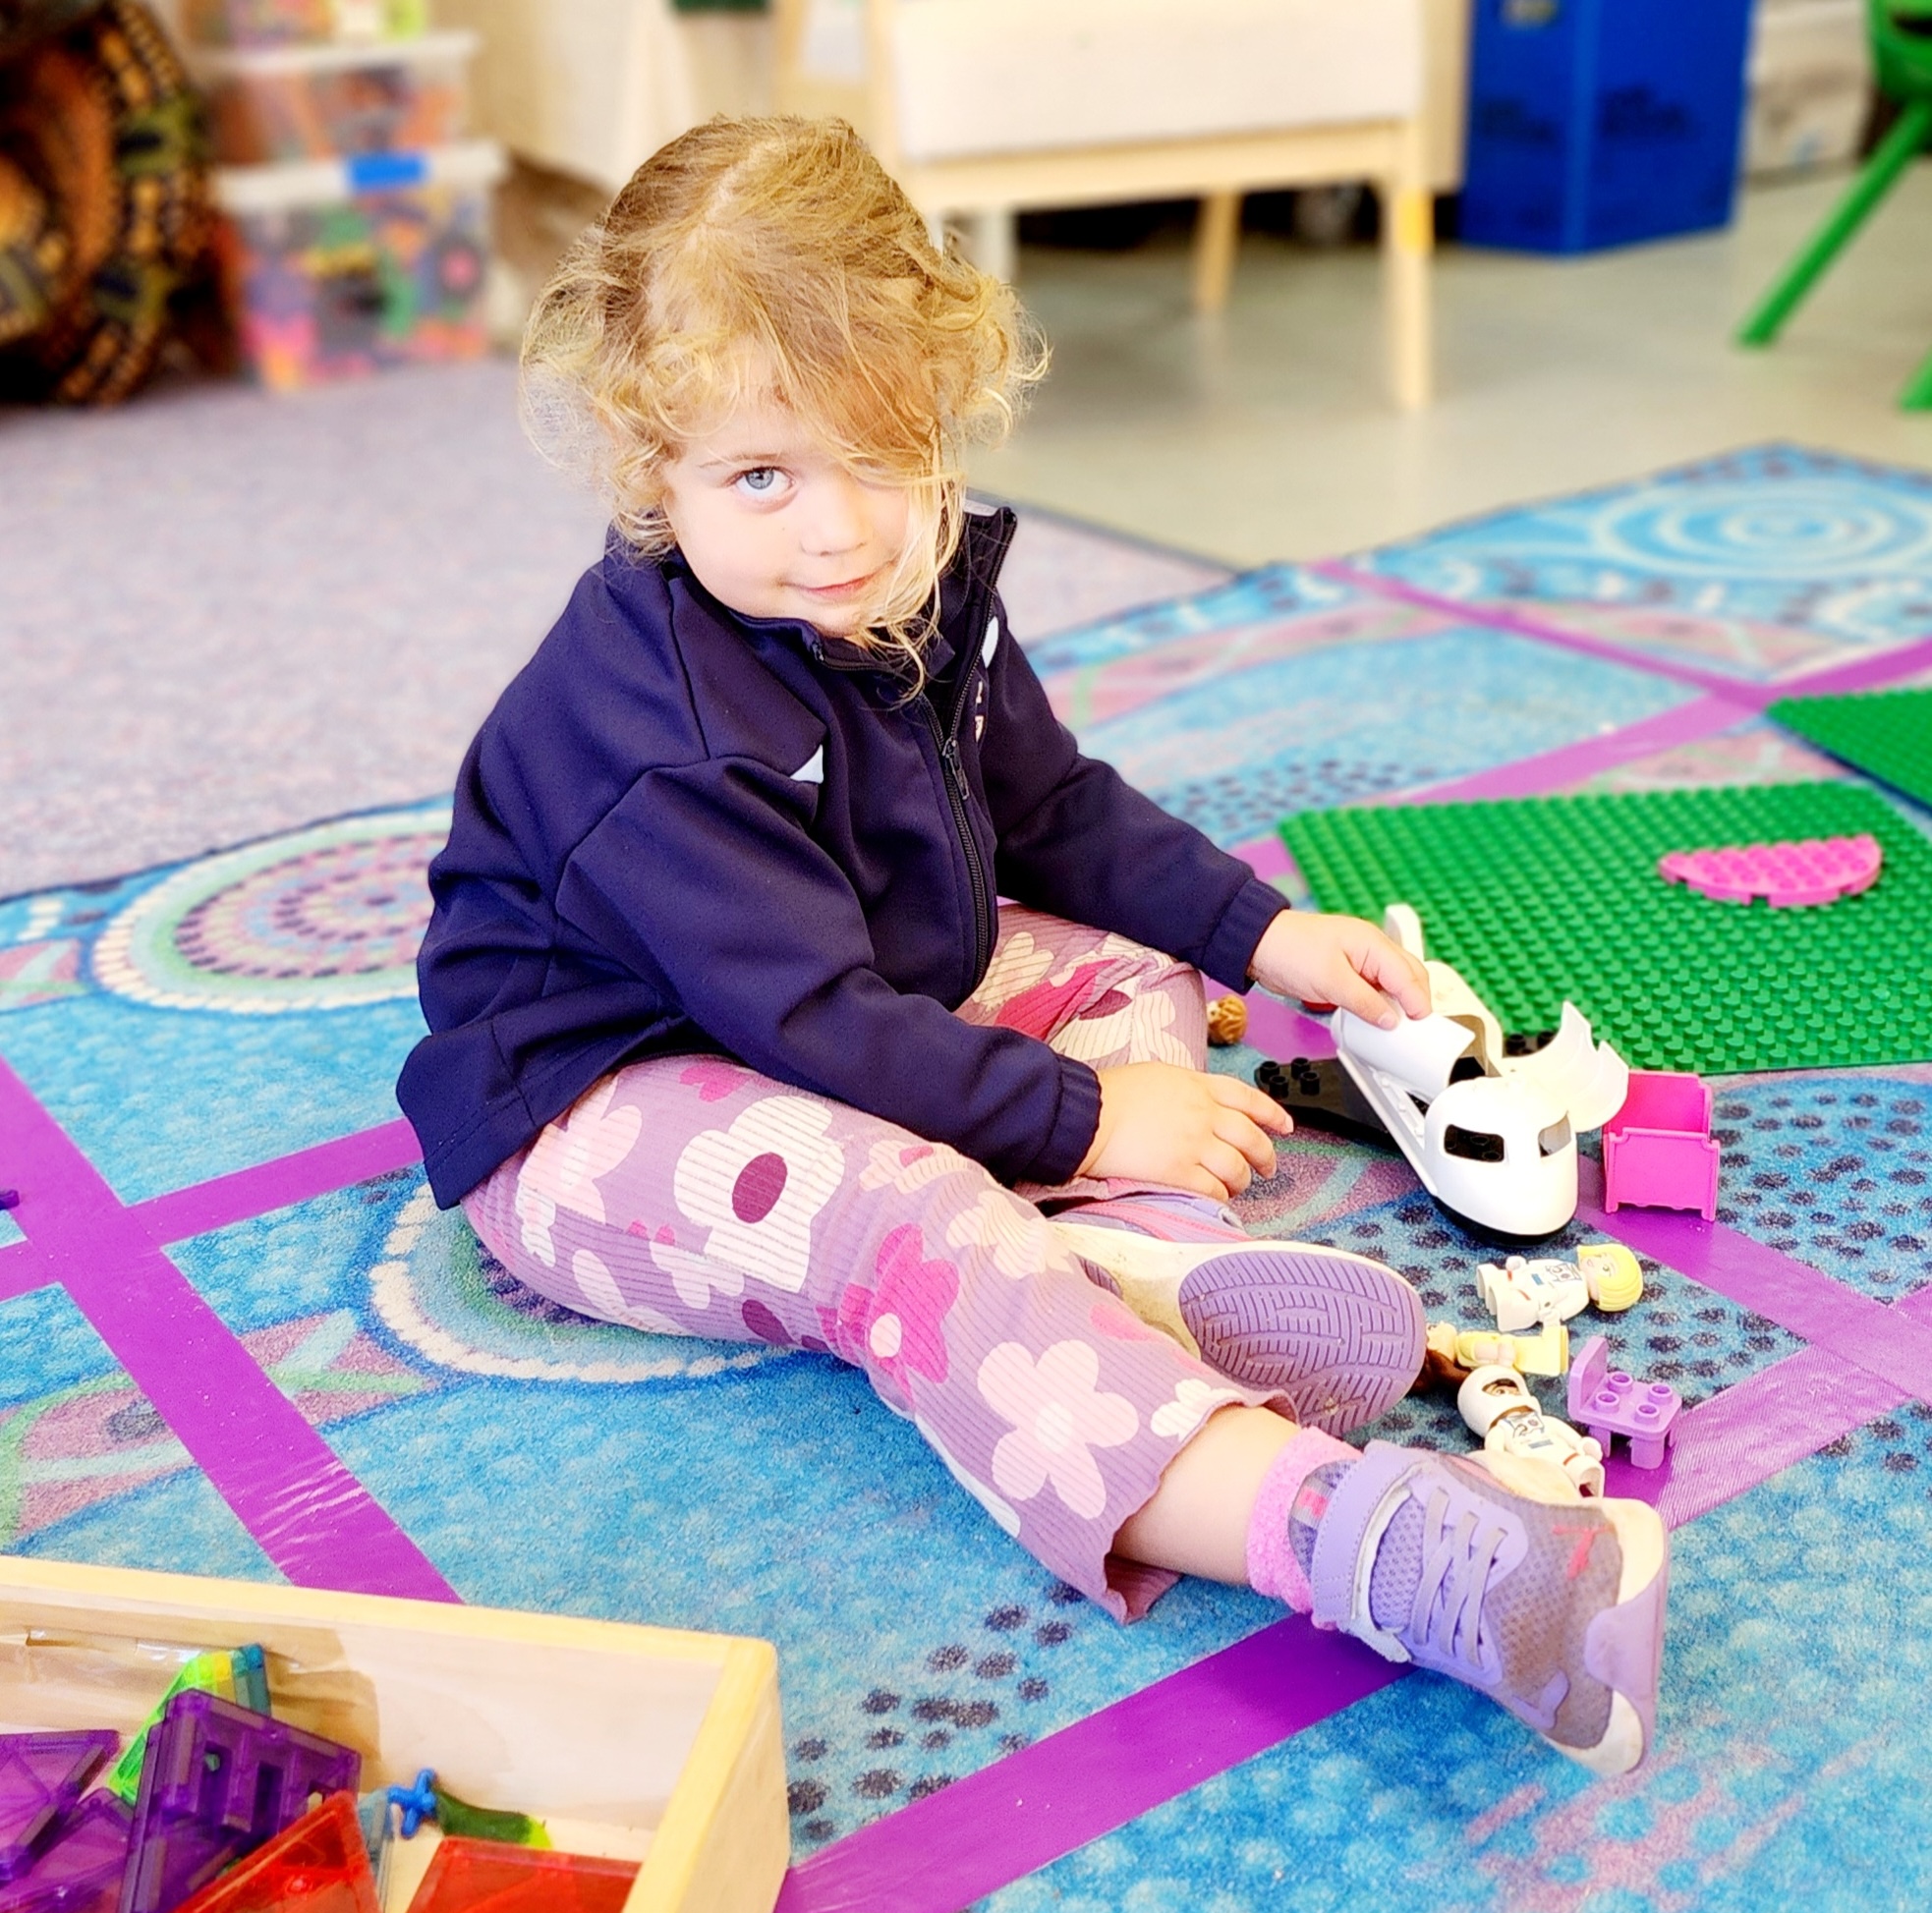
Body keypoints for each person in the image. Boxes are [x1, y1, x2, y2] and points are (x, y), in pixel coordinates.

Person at [397, 115, 1668, 1776]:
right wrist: (1077, 1119)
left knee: (1142, 974)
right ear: (655, 471)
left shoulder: (906, 587)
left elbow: (1048, 805)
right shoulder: (661, 744)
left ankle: (1132, 1260)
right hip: (599, 1101)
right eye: (763, 477)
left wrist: (1265, 933)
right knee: (905, 1217)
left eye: (883, 455)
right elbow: (809, 1026)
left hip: (839, 990)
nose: (841, 532)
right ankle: (1388, 1553)